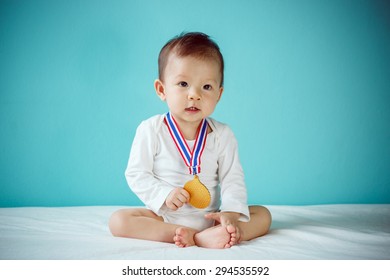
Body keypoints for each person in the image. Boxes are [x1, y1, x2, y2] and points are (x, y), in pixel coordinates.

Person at [109, 32, 271, 249]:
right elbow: (137, 174)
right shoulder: (151, 129)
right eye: (183, 83)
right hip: (164, 216)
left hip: (211, 217)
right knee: (118, 221)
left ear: (219, 94)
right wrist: (164, 194)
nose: (194, 95)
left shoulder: (222, 134)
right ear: (161, 89)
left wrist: (230, 213)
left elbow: (232, 177)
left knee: (264, 214)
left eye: (206, 87)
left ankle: (226, 230)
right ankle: (192, 236)